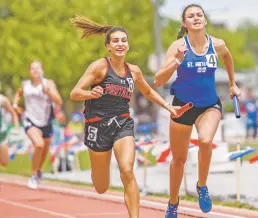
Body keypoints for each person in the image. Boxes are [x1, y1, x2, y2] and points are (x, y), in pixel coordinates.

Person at [69, 15, 191, 218]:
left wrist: (167, 106)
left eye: (123, 40)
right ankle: (99, 168)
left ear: (128, 45)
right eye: (115, 41)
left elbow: (148, 92)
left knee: (127, 170)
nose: (120, 44)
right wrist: (91, 94)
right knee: (101, 186)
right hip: (97, 126)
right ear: (108, 46)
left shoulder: (134, 71)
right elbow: (74, 93)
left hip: (123, 124)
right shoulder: (99, 66)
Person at [154, 4, 241, 217]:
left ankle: (202, 186)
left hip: (209, 105)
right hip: (182, 107)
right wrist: (177, 61)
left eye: (199, 15)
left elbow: (228, 57)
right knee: (178, 160)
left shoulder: (217, 44)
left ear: (205, 20)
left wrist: (232, 83)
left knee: (204, 141)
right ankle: (173, 202)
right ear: (184, 23)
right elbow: (158, 80)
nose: (195, 18)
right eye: (190, 16)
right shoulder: (177, 47)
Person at [13, 61, 63, 189]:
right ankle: (33, 175)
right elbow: (18, 94)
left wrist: (49, 92)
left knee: (45, 149)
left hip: (46, 121)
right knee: (39, 144)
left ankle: (39, 170)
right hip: (30, 120)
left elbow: (59, 101)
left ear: (42, 70)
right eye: (32, 68)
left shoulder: (48, 83)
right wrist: (15, 105)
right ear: (29, 72)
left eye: (38, 68)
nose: (35, 70)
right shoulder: (26, 85)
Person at [0, 94, 20, 166]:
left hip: (2, 135)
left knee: (4, 162)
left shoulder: (3, 100)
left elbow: (13, 114)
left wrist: (17, 128)